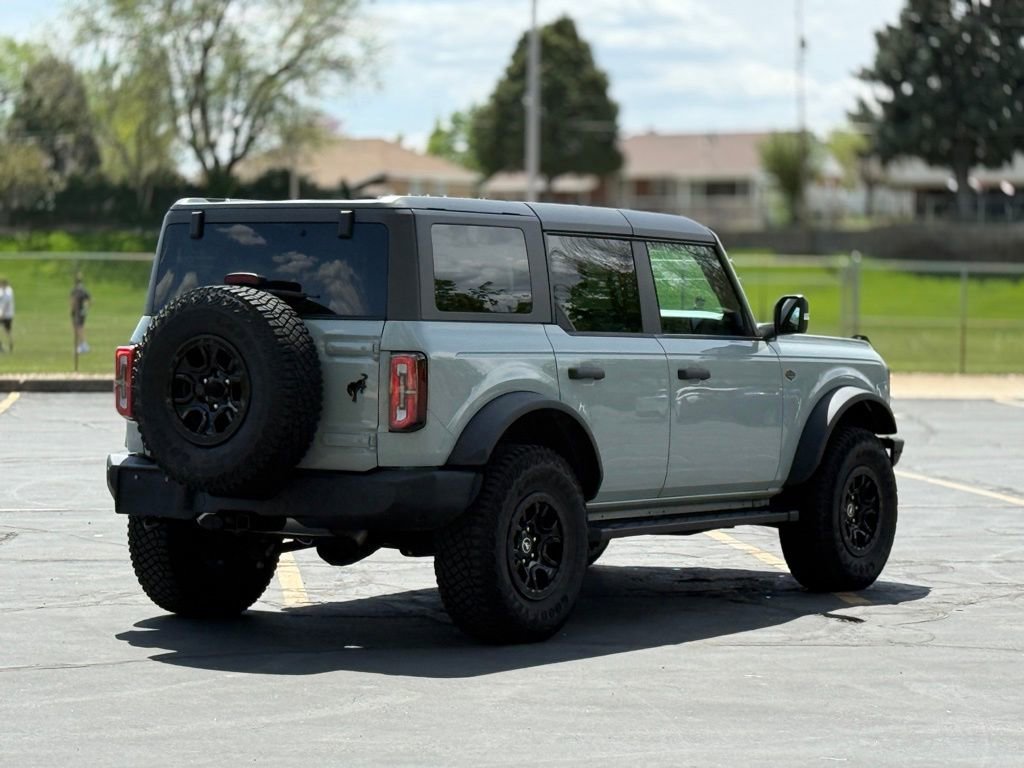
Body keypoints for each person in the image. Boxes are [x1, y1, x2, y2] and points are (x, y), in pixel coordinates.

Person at [70, 273, 91, 354]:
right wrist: (85, 309)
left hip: (76, 313)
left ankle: (83, 345)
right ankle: (81, 345)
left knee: (78, 329)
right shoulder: (83, 290)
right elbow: (90, 301)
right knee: (80, 328)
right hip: (81, 312)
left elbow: (72, 302)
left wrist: (72, 310)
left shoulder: (75, 290)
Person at [0, 278, 13, 353]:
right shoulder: (7, 292)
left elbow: (6, 305)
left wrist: (2, 314)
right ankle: (10, 344)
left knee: (7, 331)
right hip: (7, 315)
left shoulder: (7, 294)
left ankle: (10, 344)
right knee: (7, 331)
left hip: (5, 315)